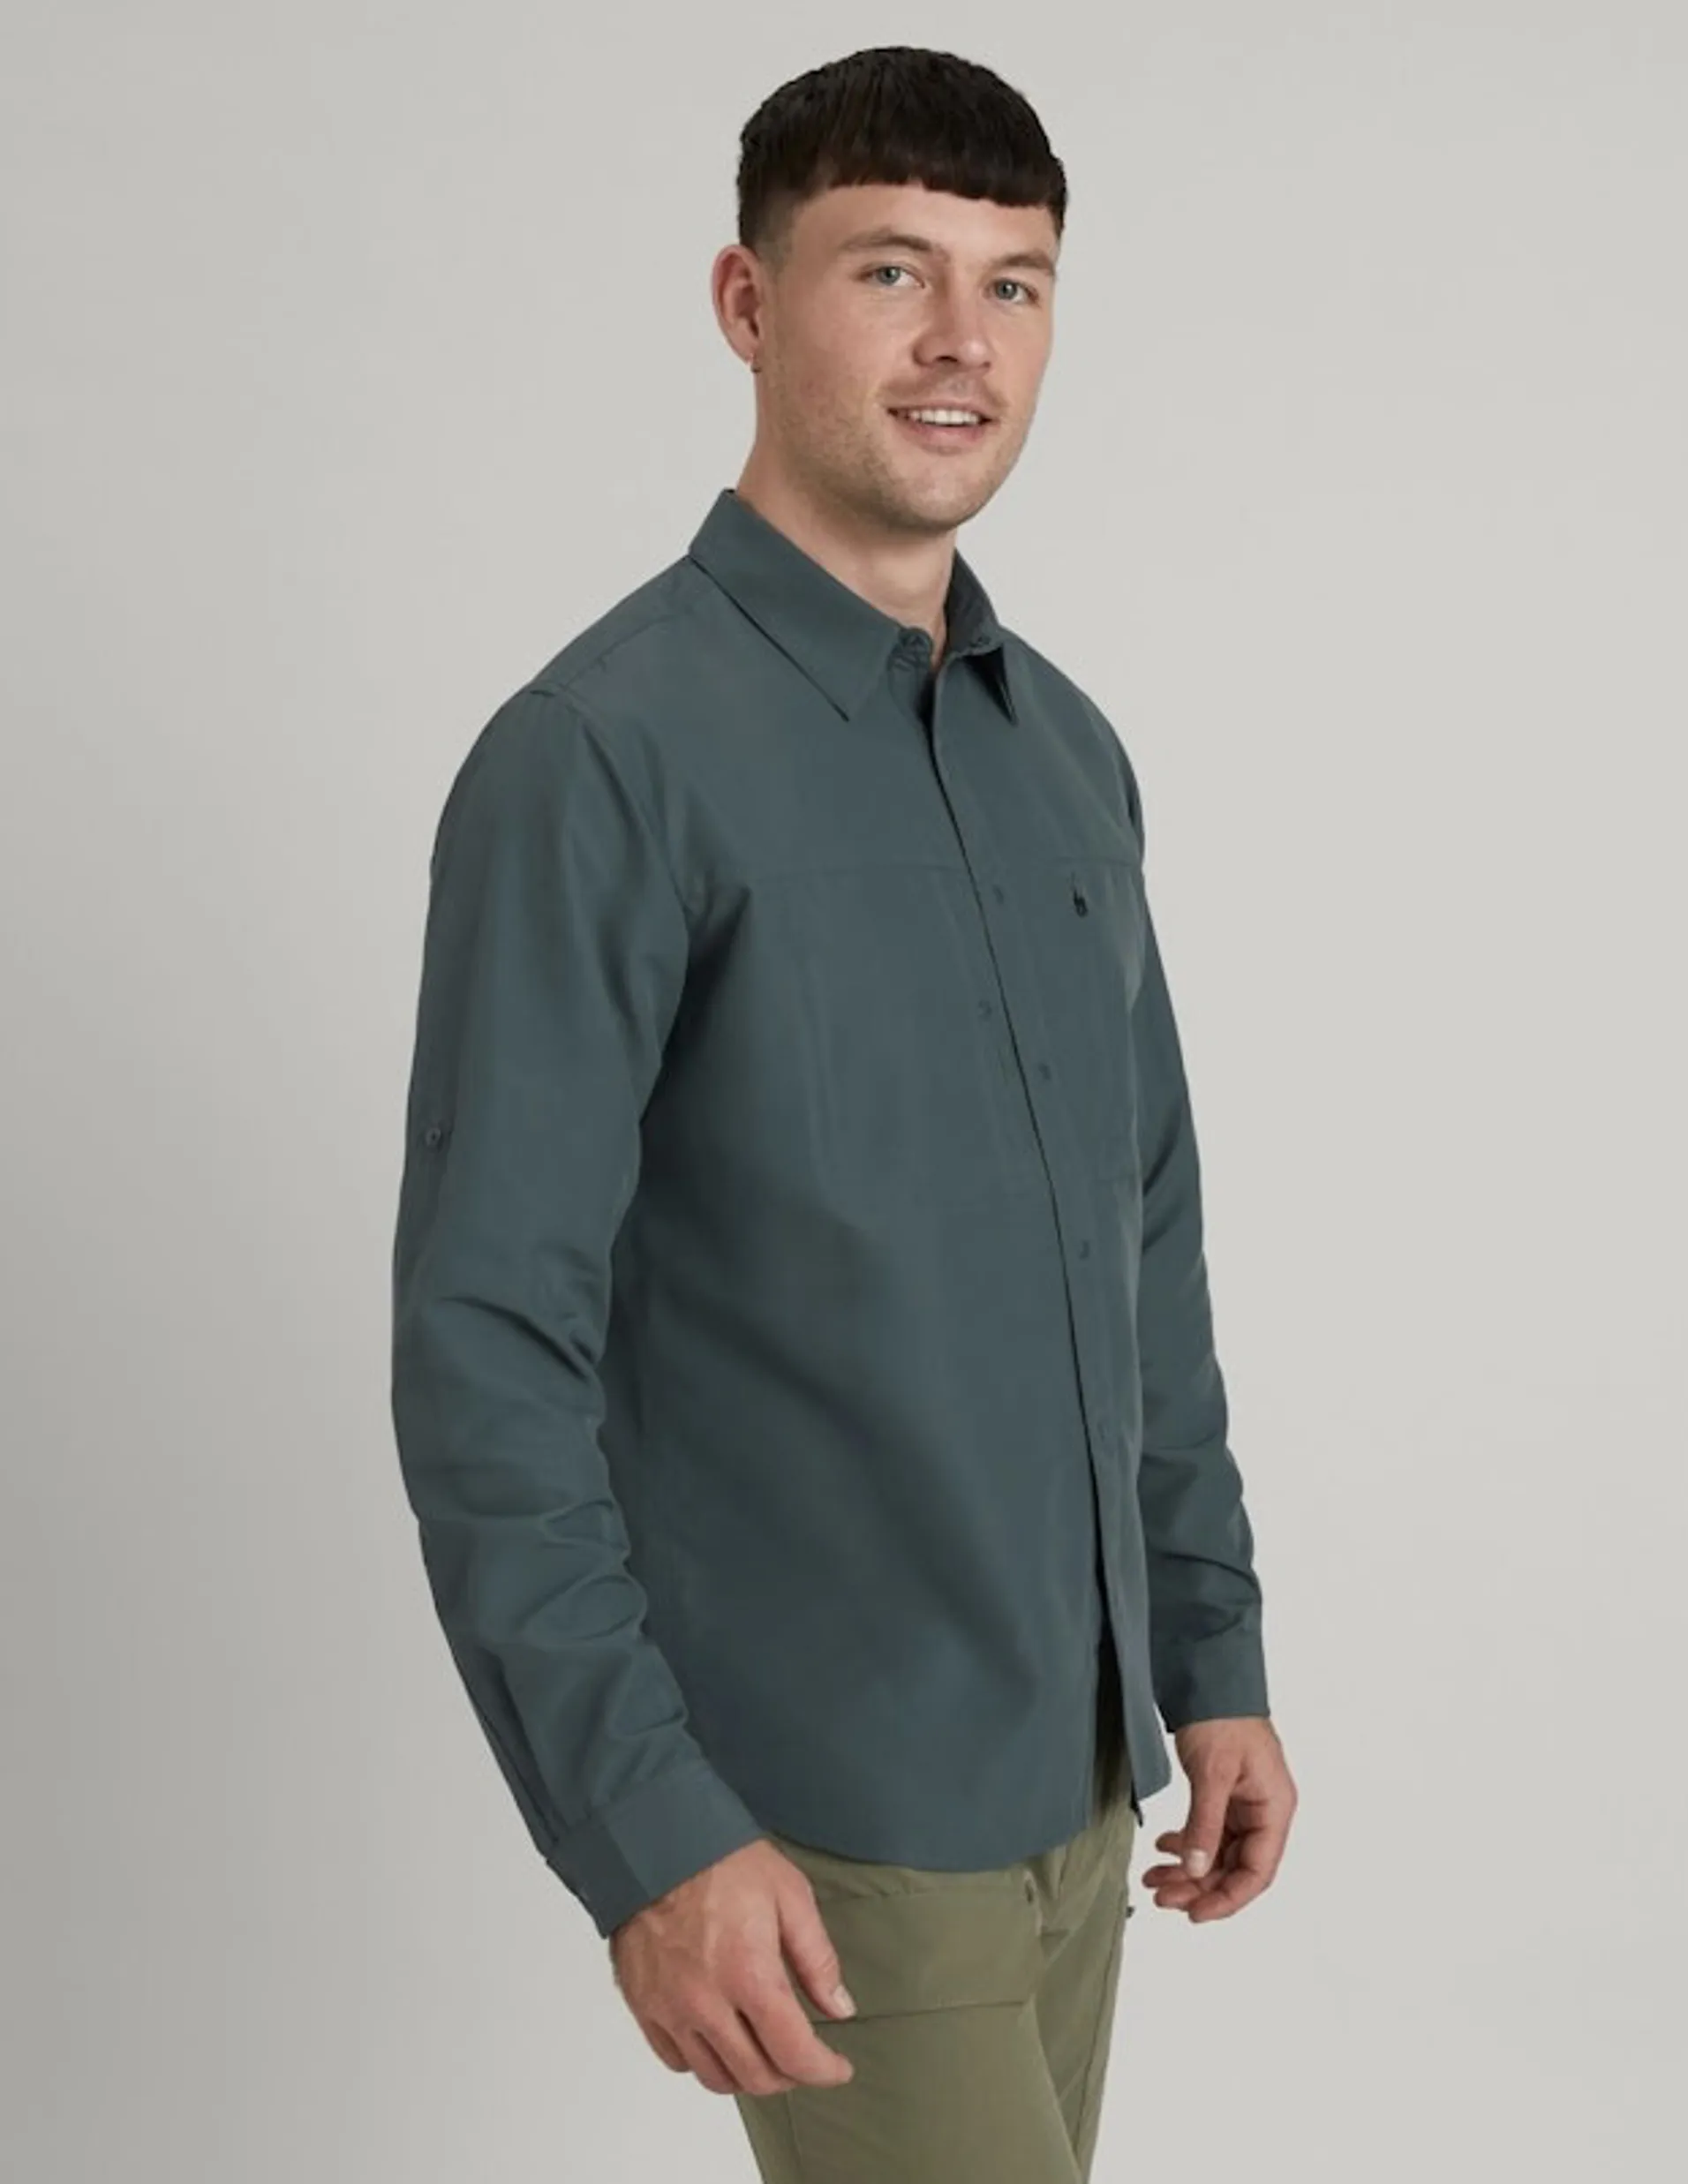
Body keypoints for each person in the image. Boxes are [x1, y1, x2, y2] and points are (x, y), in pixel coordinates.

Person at [389, 41, 1297, 2184]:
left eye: (1014, 282)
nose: (961, 340)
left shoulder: (1065, 752)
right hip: (835, 1823)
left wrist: (1212, 1649)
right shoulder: (601, 758)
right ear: (747, 300)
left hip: (1087, 1792)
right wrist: (648, 1830)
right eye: (892, 270)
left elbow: (1144, 1235)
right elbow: (488, 1345)